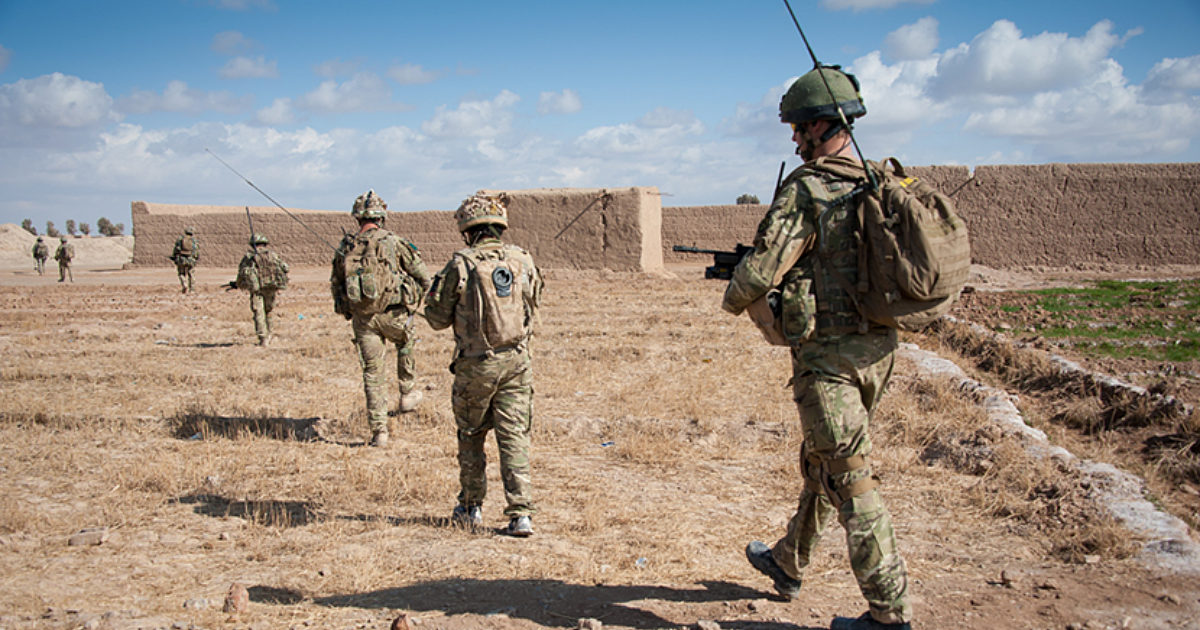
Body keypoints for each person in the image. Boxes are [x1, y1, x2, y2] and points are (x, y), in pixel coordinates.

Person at [721, 66, 912, 630]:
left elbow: (758, 273)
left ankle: (889, 613)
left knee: (850, 475)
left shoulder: (808, 188)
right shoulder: (879, 179)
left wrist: (744, 300)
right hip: (878, 350)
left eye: (800, 128)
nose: (795, 139)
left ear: (824, 125)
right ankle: (789, 561)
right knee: (825, 462)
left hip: (828, 360)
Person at [425, 192, 543, 537]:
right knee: (514, 437)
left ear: (468, 230)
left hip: (477, 365)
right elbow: (533, 302)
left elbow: (436, 318)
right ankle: (521, 514)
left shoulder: (460, 263)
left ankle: (471, 507)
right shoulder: (523, 259)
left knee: (472, 435)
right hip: (517, 361)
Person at [331, 190, 430, 447]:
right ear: (381, 216)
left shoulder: (347, 246)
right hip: (394, 316)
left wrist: (347, 311)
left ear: (357, 217)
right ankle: (407, 391)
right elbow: (422, 275)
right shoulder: (393, 241)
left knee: (372, 374)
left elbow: (336, 284)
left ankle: (379, 432)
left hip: (364, 320)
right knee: (407, 341)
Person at [235, 233, 289, 346]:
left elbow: (242, 272)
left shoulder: (250, 257)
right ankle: (270, 334)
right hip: (271, 287)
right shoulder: (273, 255)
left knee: (258, 312)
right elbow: (285, 267)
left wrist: (239, 284)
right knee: (269, 312)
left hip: (257, 289)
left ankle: (263, 338)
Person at [172, 226, 200, 293]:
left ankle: (184, 284)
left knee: (181, 273)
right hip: (191, 259)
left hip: (182, 259)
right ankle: (192, 289)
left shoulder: (180, 239)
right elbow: (196, 251)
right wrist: (195, 258)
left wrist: (175, 257)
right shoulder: (194, 240)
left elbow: (176, 249)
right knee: (191, 274)